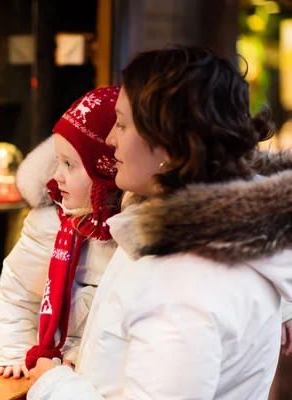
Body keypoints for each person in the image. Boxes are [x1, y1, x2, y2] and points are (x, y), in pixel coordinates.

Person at [27, 45, 292, 399]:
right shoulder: (182, 238)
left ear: (167, 144)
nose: (110, 140)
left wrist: (52, 385)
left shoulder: (185, 283)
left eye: (121, 124)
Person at [0, 86, 123, 379]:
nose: (56, 176)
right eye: (57, 161)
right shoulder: (49, 224)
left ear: (105, 172)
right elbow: (16, 293)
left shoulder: (129, 235)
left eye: (70, 165)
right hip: (45, 373)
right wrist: (14, 352)